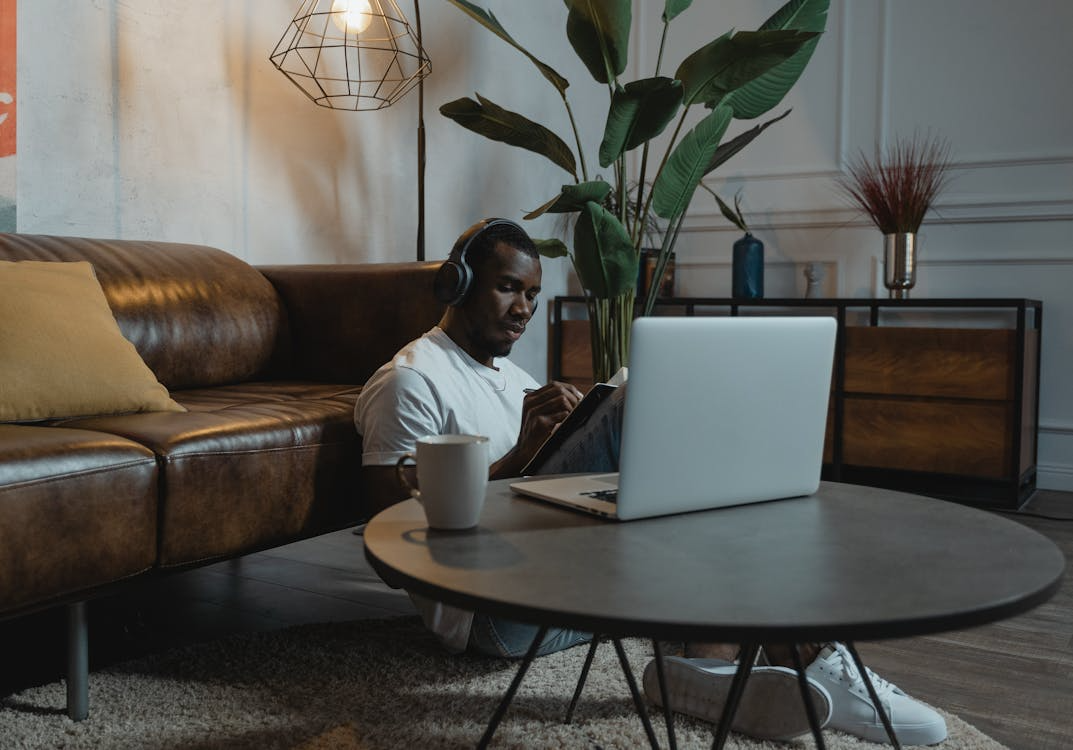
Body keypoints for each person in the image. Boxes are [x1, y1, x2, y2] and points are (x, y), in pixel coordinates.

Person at [354, 218, 946, 745]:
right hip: (491, 615)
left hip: (552, 580)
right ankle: (810, 663)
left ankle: (708, 673)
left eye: (533, 293)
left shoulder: (511, 377)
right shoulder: (411, 382)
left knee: (687, 511)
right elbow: (388, 544)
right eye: (508, 287)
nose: (524, 308)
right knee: (637, 401)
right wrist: (525, 456)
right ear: (456, 285)